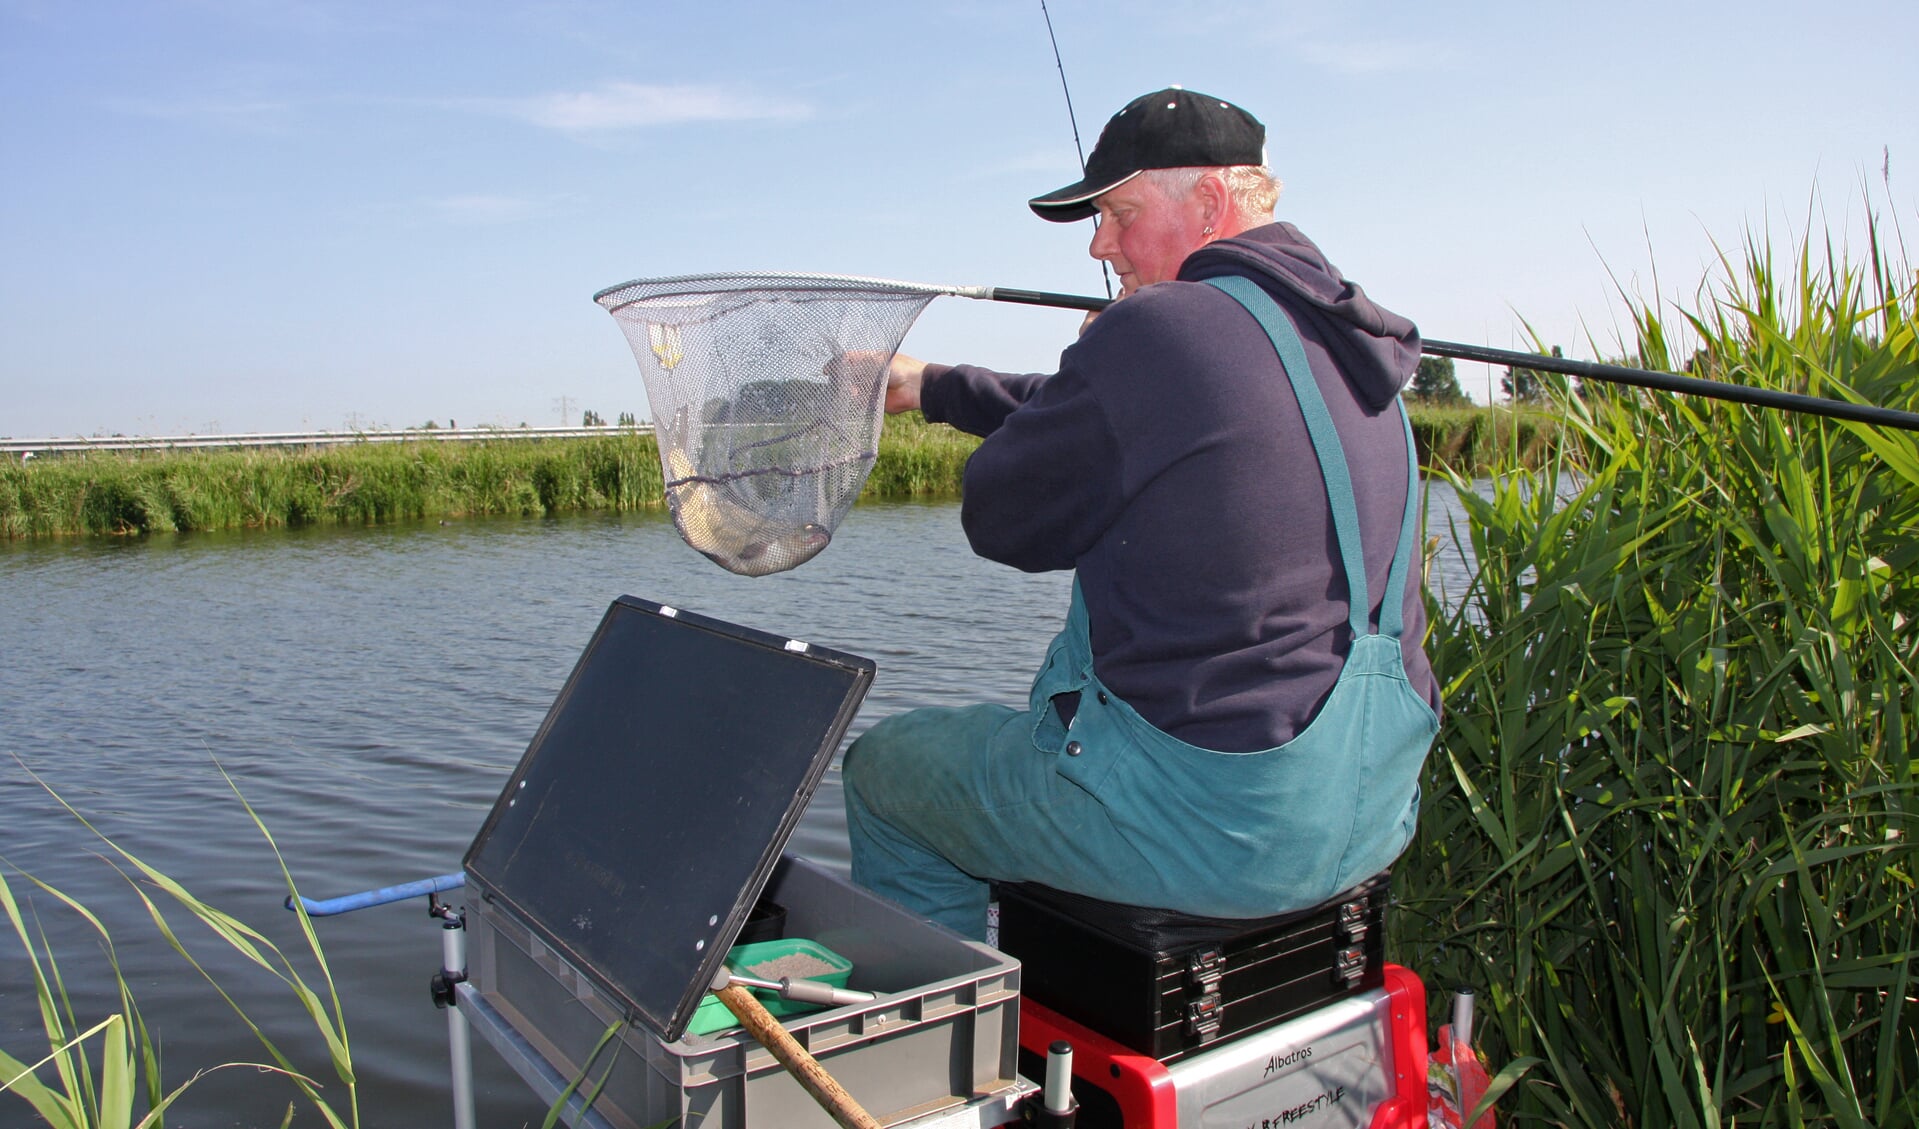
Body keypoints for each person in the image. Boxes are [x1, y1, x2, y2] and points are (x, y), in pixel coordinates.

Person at [842, 87, 1440, 940]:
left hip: (1205, 827)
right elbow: (1129, 420)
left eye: (1119, 213)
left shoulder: (1157, 332)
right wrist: (935, 386)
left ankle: (932, 1048)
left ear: (1206, 203)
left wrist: (1094, 346)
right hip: (1367, 813)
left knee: (887, 771)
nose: (1100, 243)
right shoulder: (1350, 343)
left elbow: (1001, 513)